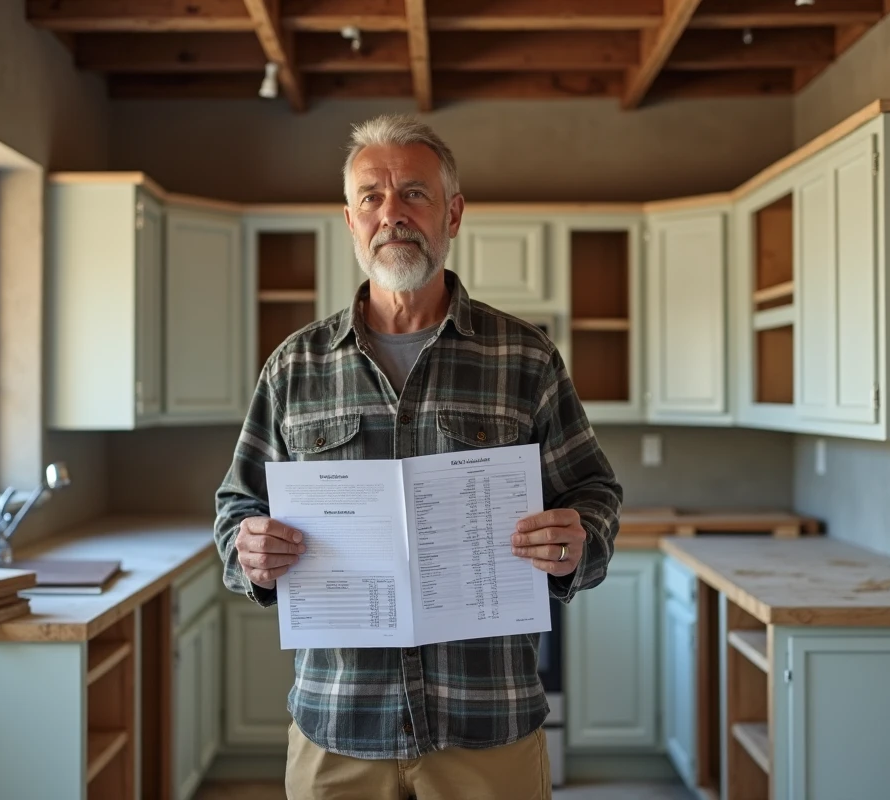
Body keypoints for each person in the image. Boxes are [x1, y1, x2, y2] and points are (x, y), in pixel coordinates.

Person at [214, 114, 623, 800]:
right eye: (371, 197)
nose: (391, 214)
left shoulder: (524, 358)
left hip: (487, 722)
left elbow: (594, 490)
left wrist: (580, 539)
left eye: (414, 194)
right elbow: (237, 510)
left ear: (453, 212)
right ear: (349, 220)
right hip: (339, 724)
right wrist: (247, 550)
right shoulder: (295, 367)